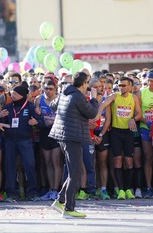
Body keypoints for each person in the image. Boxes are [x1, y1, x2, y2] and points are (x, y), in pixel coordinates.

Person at [50, 72, 98, 219]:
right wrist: (94, 99)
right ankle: (69, 209)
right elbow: (92, 113)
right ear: (83, 84)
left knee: (73, 171)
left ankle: (60, 201)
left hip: (64, 136)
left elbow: (53, 106)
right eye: (87, 84)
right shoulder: (78, 96)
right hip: (72, 137)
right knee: (75, 173)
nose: (88, 86)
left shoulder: (64, 92)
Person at [95, 76, 142, 200]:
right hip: (116, 132)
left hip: (128, 133)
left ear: (130, 87)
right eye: (119, 85)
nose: (121, 87)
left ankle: (128, 189)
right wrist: (99, 113)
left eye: (124, 85)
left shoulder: (134, 98)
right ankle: (120, 190)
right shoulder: (115, 96)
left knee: (129, 162)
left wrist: (133, 119)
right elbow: (104, 103)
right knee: (117, 161)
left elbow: (139, 114)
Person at [0, 86, 42, 202]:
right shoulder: (8, 107)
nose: (12, 96)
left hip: (25, 141)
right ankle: (11, 193)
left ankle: (33, 192)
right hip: (10, 141)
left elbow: (41, 122)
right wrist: (1, 117)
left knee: (29, 165)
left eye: (15, 94)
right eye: (12, 94)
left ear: (22, 95)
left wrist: (36, 121)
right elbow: (1, 124)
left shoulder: (30, 107)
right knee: (10, 166)